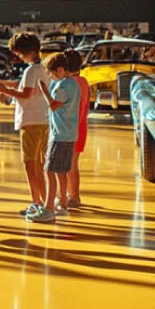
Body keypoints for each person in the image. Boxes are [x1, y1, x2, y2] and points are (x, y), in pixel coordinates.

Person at [0, 33, 49, 216]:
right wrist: (5, 84)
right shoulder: (43, 68)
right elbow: (25, 86)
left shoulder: (30, 71)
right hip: (44, 119)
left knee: (29, 163)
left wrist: (4, 90)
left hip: (30, 120)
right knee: (40, 164)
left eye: (18, 53)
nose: (17, 56)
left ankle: (35, 201)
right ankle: (42, 200)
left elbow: (26, 93)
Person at [27, 52, 80, 223]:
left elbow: (54, 105)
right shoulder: (74, 84)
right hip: (70, 133)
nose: (50, 76)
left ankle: (49, 207)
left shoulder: (62, 86)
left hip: (59, 134)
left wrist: (44, 92)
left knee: (49, 169)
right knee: (61, 170)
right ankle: (62, 201)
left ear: (60, 70)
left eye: (52, 73)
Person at [64, 49, 89, 208]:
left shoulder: (71, 83)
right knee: (73, 163)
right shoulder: (84, 81)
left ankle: (73, 196)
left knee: (70, 164)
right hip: (81, 127)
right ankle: (73, 194)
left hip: (71, 128)